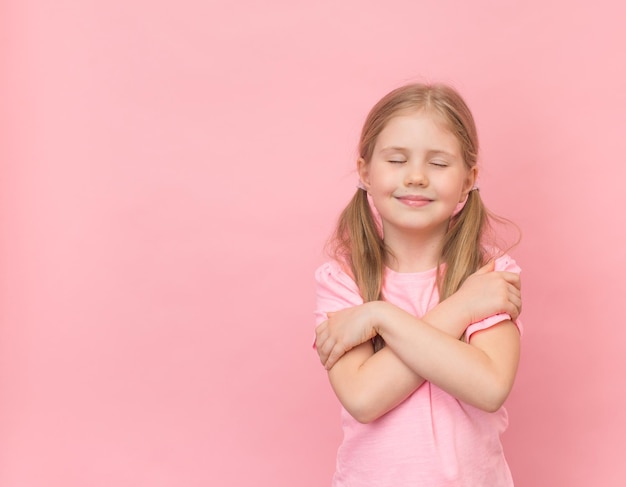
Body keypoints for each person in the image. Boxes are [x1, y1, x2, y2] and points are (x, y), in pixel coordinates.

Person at [313, 83, 523, 486]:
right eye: (396, 159)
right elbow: (363, 398)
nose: (415, 177)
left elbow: (489, 385)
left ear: (468, 180)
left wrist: (378, 319)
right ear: (365, 172)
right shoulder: (343, 280)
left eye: (439, 164)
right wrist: (461, 307)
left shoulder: (491, 274)